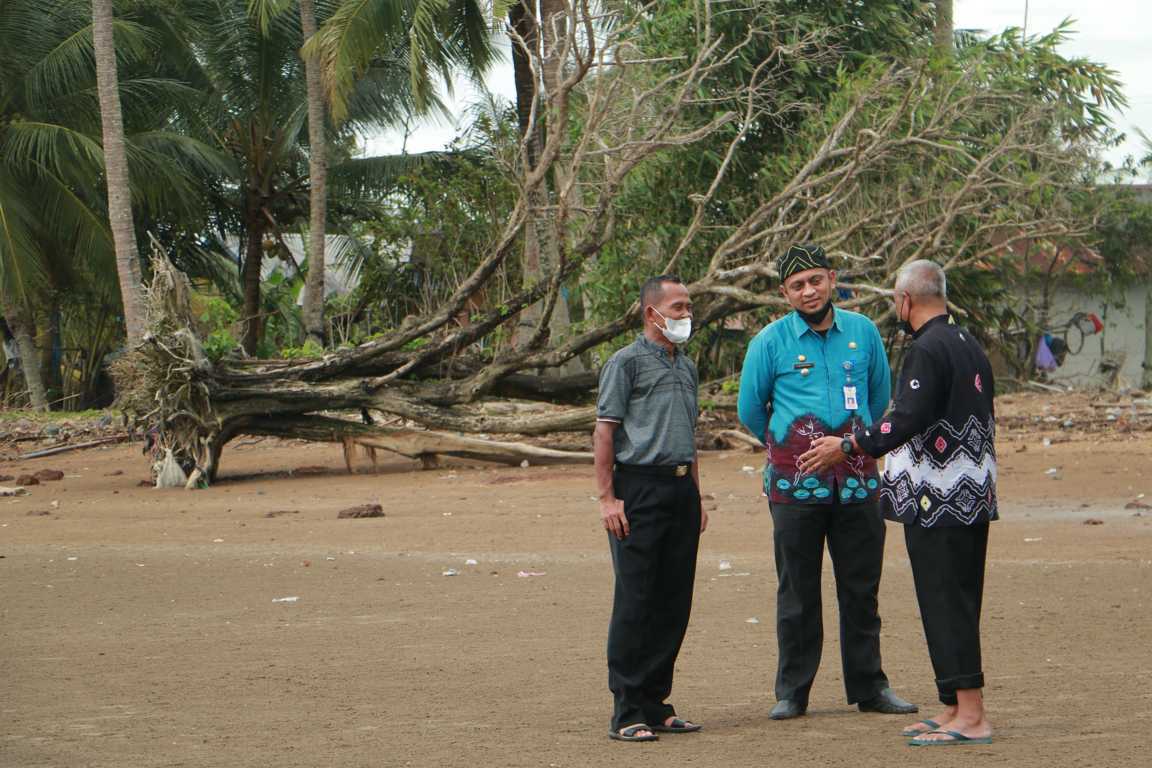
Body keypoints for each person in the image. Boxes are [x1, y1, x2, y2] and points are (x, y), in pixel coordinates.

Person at [801, 259, 997, 746]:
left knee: (945, 600)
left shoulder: (927, 349)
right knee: (953, 598)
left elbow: (904, 418)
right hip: (971, 495)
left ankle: (971, 715)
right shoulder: (967, 342)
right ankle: (953, 705)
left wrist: (847, 446)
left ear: (905, 301)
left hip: (941, 498)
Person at [737, 243, 916, 720]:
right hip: (794, 489)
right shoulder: (769, 342)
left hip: (858, 482)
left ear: (832, 279)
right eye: (797, 285)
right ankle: (793, 692)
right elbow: (750, 410)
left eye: (815, 280)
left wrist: (852, 444)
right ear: (784, 293)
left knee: (861, 588)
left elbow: (880, 400)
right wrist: (788, 449)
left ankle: (869, 687)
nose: (808, 290)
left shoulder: (862, 332)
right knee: (797, 590)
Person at [594, 274, 708, 743]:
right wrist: (607, 498)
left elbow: (691, 436)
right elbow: (605, 432)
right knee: (636, 600)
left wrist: (697, 496)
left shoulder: (688, 367)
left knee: (673, 601)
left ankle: (658, 703)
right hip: (637, 489)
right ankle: (627, 710)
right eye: (678, 307)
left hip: (680, 491)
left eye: (687, 307)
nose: (686, 315)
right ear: (652, 314)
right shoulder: (625, 364)